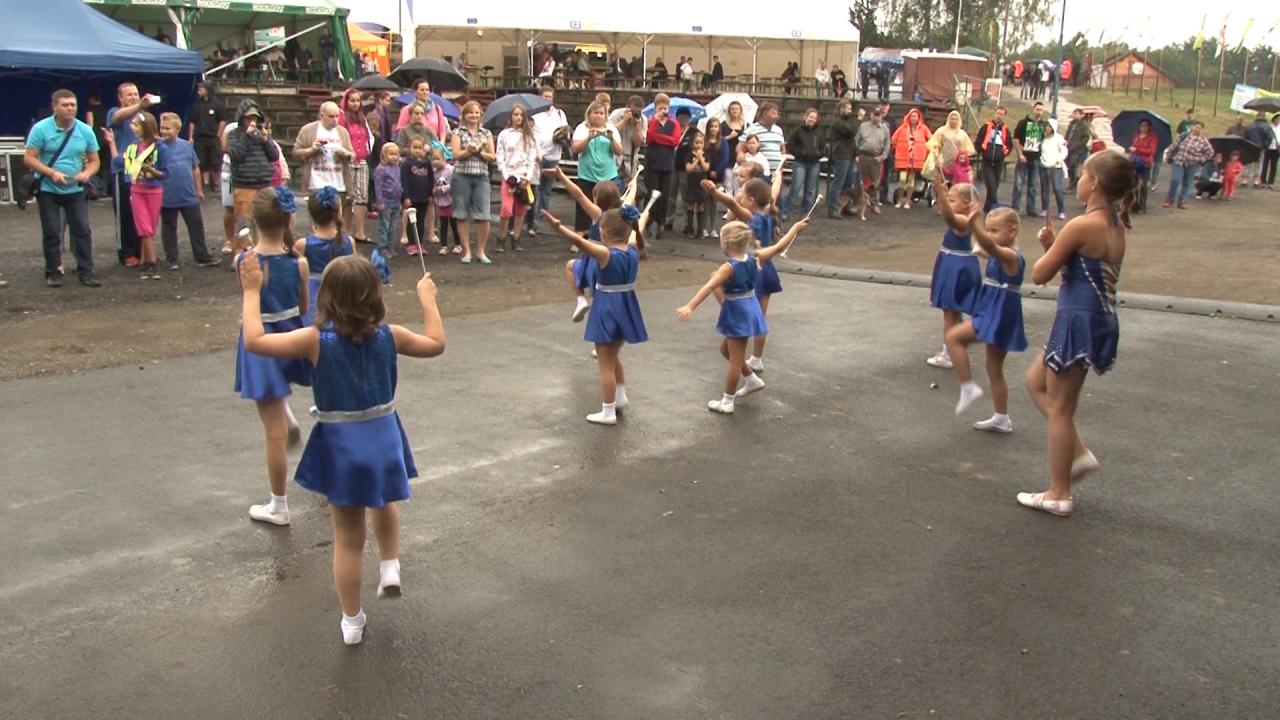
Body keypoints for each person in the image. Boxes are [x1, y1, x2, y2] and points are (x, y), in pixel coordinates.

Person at [240, 249, 444, 645]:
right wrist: (428, 300)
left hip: (342, 444)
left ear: (327, 296)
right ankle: (390, 565)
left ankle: (352, 621)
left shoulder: (316, 340)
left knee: (349, 539)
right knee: (384, 501)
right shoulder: (392, 335)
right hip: (384, 436)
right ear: (376, 295)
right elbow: (436, 342)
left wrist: (251, 291)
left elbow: (255, 340)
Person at [1019, 151, 1136, 517]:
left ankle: (1059, 492)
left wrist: (1051, 248)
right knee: (1035, 382)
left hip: (1076, 321)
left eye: (1083, 174)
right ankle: (1078, 452)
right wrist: (1055, 246)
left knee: (1060, 409)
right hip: (1097, 318)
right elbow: (1080, 271)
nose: (1078, 180)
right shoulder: (1116, 226)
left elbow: (1040, 274)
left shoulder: (1082, 225)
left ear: (1095, 183)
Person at [676, 217, 810, 414]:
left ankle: (727, 401)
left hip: (738, 311)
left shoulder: (729, 267)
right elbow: (779, 247)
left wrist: (690, 306)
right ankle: (751, 379)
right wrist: (795, 228)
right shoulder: (754, 257)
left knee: (735, 360)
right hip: (750, 307)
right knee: (726, 351)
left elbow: (709, 286)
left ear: (726, 243)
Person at [234, 187, 311, 527]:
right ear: (289, 219)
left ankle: (279, 505)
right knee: (279, 405)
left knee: (273, 432)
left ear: (254, 220)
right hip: (291, 336)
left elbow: (249, 303)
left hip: (261, 342)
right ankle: (288, 415)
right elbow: (303, 306)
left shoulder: (245, 263)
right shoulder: (299, 263)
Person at [541, 207, 651, 426]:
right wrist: (641, 219)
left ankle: (608, 411)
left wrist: (558, 227)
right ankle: (620, 396)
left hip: (607, 308)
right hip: (627, 307)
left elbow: (579, 242)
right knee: (613, 356)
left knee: (605, 364)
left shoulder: (606, 254)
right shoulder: (633, 249)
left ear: (604, 233)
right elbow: (643, 221)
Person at [944, 204, 1027, 433]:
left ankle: (968, 387)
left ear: (1012, 231)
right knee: (994, 367)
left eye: (995, 230)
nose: (990, 234)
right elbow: (981, 247)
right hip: (996, 309)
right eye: (989, 230)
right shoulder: (997, 252)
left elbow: (987, 246)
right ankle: (1002, 417)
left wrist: (976, 224)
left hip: (1000, 312)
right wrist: (976, 229)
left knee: (954, 337)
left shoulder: (1011, 256)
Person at [702, 174, 786, 374]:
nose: (740, 197)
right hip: (768, 268)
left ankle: (733, 309)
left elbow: (731, 204)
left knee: (716, 280)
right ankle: (757, 358)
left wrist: (714, 192)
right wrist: (778, 178)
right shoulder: (769, 213)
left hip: (753, 267)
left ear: (751, 200)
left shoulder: (752, 217)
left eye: (743, 194)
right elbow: (773, 192)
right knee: (761, 317)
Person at [24, 89, 102, 288]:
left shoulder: (85, 130)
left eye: (73, 105)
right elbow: (29, 158)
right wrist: (51, 173)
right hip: (48, 188)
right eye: (65, 105)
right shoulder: (41, 129)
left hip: (75, 188)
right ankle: (53, 271)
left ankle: (86, 271)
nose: (70, 108)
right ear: (54, 107)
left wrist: (87, 173)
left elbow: (94, 160)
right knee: (52, 231)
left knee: (82, 230)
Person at [554, 166, 626, 322]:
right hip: (612, 261)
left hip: (594, 262)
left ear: (597, 199)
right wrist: (633, 188)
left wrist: (561, 176)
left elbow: (578, 195)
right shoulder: (621, 215)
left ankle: (581, 300)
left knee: (571, 267)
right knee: (604, 292)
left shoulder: (599, 214)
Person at [924, 181, 982, 370]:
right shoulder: (970, 218)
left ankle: (950, 352)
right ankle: (956, 344)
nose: (948, 203)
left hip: (955, 267)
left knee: (949, 311)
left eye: (952, 200)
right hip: (958, 263)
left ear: (965, 203)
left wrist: (940, 193)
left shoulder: (963, 220)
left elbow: (948, 216)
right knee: (953, 311)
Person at [158, 112, 218, 270]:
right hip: (167, 195)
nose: (164, 131)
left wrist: (199, 189)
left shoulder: (186, 146)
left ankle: (202, 255)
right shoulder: (158, 147)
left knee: (196, 225)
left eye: (167, 128)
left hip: (188, 194)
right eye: (162, 128)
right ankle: (172, 258)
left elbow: (195, 168)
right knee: (169, 227)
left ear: (177, 129)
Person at [107, 83, 156, 267]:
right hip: (123, 170)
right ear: (120, 97)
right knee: (125, 213)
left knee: (141, 212)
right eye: (129, 95)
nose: (134, 97)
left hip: (141, 170)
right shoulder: (115, 113)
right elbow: (118, 117)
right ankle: (126, 252)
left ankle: (140, 251)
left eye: (136, 94)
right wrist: (139, 106)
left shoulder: (142, 116)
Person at [294, 187, 353, 327]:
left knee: (318, 332)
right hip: (343, 299)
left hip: (314, 300)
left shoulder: (303, 244)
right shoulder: (349, 242)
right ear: (338, 211)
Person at [226, 100, 280, 251]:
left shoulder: (261, 133)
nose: (252, 121)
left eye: (254, 118)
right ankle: (239, 253)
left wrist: (266, 140)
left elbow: (274, 156)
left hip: (264, 184)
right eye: (249, 118)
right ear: (242, 118)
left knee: (264, 221)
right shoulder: (234, 135)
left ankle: (262, 251)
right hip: (244, 185)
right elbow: (235, 155)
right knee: (243, 223)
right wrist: (246, 136)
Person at [450, 101, 496, 264]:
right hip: (461, 176)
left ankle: (481, 251)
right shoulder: (457, 132)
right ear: (464, 115)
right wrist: (469, 151)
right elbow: (456, 154)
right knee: (461, 214)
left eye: (477, 112)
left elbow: (492, 156)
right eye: (470, 112)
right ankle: (467, 251)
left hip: (481, 176)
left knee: (484, 215)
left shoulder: (486, 133)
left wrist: (480, 152)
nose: (474, 115)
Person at [124, 111, 167, 279]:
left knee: (149, 228)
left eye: (136, 125)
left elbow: (166, 173)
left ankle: (144, 261)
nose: (132, 128)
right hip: (137, 190)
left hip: (154, 190)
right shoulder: (133, 146)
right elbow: (127, 168)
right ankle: (152, 263)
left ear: (146, 127)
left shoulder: (160, 147)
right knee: (145, 228)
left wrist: (151, 171)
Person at [294, 100, 355, 218]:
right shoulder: (308, 130)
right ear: (322, 116)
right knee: (317, 219)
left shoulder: (342, 132)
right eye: (331, 116)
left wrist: (345, 154)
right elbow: (296, 153)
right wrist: (311, 150)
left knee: (336, 220)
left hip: (338, 184)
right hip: (316, 184)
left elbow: (352, 155)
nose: (335, 120)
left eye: (337, 116)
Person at [572, 100, 624, 233]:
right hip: (587, 175)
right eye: (595, 113)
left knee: (608, 208)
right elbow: (576, 149)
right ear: (589, 114)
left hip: (607, 176)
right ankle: (581, 235)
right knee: (584, 207)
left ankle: (606, 234)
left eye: (601, 113)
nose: (598, 116)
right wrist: (588, 138)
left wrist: (612, 140)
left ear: (606, 115)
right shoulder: (582, 128)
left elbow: (619, 151)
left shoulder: (611, 129)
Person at [496, 105, 540, 251]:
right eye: (515, 114)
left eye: (521, 115)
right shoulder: (504, 134)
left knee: (521, 210)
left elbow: (532, 157)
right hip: (509, 176)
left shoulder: (529, 136)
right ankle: (501, 237)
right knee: (506, 209)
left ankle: (516, 237)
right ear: (511, 116)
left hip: (523, 176)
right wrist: (506, 175)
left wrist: (528, 176)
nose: (518, 117)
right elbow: (500, 156)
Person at [528, 86, 570, 237]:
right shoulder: (534, 113)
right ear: (540, 97)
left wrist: (562, 136)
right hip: (537, 155)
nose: (547, 99)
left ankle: (542, 215)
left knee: (546, 189)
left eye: (550, 97)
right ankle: (531, 219)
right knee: (534, 188)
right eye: (545, 96)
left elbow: (565, 130)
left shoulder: (559, 113)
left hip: (554, 155)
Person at [338, 88, 374, 244]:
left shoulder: (362, 119)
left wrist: (367, 151)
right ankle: (346, 231)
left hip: (362, 160)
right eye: (352, 100)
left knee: (361, 197)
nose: (355, 103)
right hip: (348, 161)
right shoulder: (341, 118)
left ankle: (360, 231)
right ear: (346, 102)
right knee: (348, 197)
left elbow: (369, 138)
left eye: (358, 100)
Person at [645, 94, 682, 239]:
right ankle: (648, 222)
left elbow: (675, 141)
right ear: (655, 108)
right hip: (652, 162)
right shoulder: (651, 121)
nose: (662, 111)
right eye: (660, 108)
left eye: (665, 108)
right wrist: (656, 122)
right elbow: (649, 138)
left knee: (665, 196)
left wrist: (659, 139)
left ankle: (661, 223)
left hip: (667, 163)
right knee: (650, 194)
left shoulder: (674, 123)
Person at [782, 108, 822, 221]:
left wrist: (818, 154)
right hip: (800, 162)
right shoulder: (797, 131)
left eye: (814, 118)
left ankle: (805, 213)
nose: (812, 119)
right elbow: (791, 145)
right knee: (796, 187)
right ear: (805, 117)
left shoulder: (819, 133)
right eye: (810, 117)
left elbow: (823, 146)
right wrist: (800, 153)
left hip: (814, 163)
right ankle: (786, 212)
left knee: (810, 190)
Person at [1162, 121, 1214, 209]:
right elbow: (1174, 145)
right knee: (1175, 179)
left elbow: (1210, 152)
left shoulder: (1203, 141)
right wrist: (1168, 155)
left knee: (1187, 182)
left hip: (1192, 164)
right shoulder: (1184, 135)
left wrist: (1201, 159)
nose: (1197, 129)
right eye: (1196, 127)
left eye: (1199, 128)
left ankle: (1182, 201)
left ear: (1202, 130)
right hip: (1179, 161)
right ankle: (1169, 199)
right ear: (1193, 127)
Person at [187, 82, 225, 194]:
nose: (199, 91)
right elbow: (192, 122)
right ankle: (206, 183)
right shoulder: (197, 105)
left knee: (215, 161)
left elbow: (222, 120)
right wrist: (191, 137)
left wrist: (218, 135)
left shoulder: (218, 104)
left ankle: (216, 183)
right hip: (199, 137)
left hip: (212, 137)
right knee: (202, 162)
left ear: (207, 90)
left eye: (201, 89)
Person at [826, 101, 861, 219]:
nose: (850, 111)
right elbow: (852, 132)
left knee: (848, 183)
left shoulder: (847, 122)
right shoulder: (838, 122)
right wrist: (859, 119)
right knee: (838, 182)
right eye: (848, 108)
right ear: (841, 109)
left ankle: (845, 206)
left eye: (850, 108)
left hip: (849, 154)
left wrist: (855, 153)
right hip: (841, 154)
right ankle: (832, 209)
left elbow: (851, 139)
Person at [890, 107, 931, 209]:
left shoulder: (923, 129)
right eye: (912, 116)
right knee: (902, 179)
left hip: (915, 160)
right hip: (903, 158)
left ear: (918, 118)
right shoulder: (902, 128)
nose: (913, 118)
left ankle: (908, 200)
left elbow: (931, 140)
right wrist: (897, 150)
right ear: (908, 117)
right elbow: (893, 139)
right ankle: (900, 199)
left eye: (915, 116)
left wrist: (926, 150)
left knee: (911, 180)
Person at [1011, 102, 1047, 217]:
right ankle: (1015, 206)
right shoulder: (1023, 123)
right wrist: (1020, 154)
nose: (1039, 112)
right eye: (1037, 109)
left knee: (1032, 185)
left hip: (1035, 157)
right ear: (1033, 109)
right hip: (1024, 156)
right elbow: (1016, 139)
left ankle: (1030, 208)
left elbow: (1045, 139)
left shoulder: (1043, 125)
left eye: (1041, 110)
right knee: (1018, 183)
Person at [400, 137, 435, 257]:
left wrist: (430, 194)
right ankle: (411, 244)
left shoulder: (427, 164)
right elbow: (403, 181)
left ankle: (419, 243)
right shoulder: (406, 164)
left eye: (420, 148)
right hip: (412, 197)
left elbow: (430, 179)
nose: (417, 150)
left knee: (420, 221)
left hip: (424, 197)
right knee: (412, 221)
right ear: (409, 148)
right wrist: (406, 197)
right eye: (414, 147)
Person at [974, 106, 1012, 212]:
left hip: (999, 160)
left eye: (1001, 114)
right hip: (987, 159)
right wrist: (981, 150)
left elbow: (1009, 145)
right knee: (991, 184)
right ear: (994, 114)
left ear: (1004, 116)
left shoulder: (1005, 130)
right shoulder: (987, 126)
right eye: (997, 113)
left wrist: (1004, 154)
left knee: (995, 184)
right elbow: (979, 139)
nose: (999, 116)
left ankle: (987, 208)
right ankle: (995, 204)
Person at [927, 110, 974, 187]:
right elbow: (934, 143)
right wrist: (937, 155)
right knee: (942, 184)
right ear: (948, 119)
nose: (953, 121)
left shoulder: (962, 133)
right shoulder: (941, 131)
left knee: (955, 185)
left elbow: (967, 149)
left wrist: (963, 159)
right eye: (952, 119)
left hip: (957, 164)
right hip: (944, 161)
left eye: (956, 119)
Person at [372, 143, 403, 257]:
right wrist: (380, 202)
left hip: (396, 201)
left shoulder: (397, 168)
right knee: (384, 225)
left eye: (396, 154)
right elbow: (378, 186)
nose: (394, 157)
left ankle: (390, 246)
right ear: (384, 155)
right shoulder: (380, 169)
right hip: (386, 201)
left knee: (393, 226)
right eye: (391, 154)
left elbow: (398, 183)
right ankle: (382, 247)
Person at [700, 118, 730, 237]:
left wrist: (717, 171)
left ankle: (712, 228)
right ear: (708, 128)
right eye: (711, 126)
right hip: (705, 174)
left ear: (719, 128)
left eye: (716, 127)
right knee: (705, 200)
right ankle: (703, 227)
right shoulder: (704, 140)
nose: (713, 129)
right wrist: (707, 170)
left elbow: (725, 158)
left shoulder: (723, 141)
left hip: (718, 175)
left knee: (714, 201)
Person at [740, 102, 786, 176]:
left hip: (776, 172)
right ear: (764, 114)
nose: (777, 116)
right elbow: (740, 147)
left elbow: (782, 148)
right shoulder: (752, 129)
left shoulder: (778, 130)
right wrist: (741, 154)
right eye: (773, 114)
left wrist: (781, 165)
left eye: (777, 114)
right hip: (759, 172)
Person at [608, 94, 647, 181]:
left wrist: (636, 126)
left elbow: (638, 143)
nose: (635, 113)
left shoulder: (643, 120)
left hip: (631, 158)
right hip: (614, 155)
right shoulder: (617, 114)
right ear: (627, 107)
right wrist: (624, 121)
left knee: (629, 185)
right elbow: (609, 133)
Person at [430, 148, 459, 255]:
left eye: (437, 159)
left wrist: (443, 188)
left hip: (452, 201)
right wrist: (434, 190)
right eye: (433, 159)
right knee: (443, 224)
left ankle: (458, 244)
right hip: (441, 202)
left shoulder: (451, 170)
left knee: (454, 224)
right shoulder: (434, 172)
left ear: (443, 158)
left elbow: (455, 184)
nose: (435, 162)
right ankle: (444, 245)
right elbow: (433, 185)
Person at [1038, 119, 1068, 220]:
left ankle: (1061, 211)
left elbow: (1064, 151)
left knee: (1057, 188)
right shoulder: (1043, 138)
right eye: (1046, 126)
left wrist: (1058, 160)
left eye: (1049, 126)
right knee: (1044, 188)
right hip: (1043, 165)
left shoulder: (1059, 138)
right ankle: (1044, 209)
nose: (1047, 128)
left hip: (1055, 166)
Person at [1125, 119, 1157, 214]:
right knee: (1132, 184)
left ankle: (1143, 204)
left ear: (1149, 127)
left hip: (1145, 163)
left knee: (1143, 184)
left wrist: (1137, 149)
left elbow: (1151, 151)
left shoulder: (1152, 137)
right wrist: (1130, 149)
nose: (1143, 127)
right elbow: (1132, 146)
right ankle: (1133, 204)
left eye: (1145, 125)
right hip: (1134, 161)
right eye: (1141, 125)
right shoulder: (1136, 136)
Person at [683, 130, 711, 237]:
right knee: (690, 205)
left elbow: (706, 168)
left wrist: (701, 159)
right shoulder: (689, 155)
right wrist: (696, 160)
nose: (699, 145)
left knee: (701, 206)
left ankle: (700, 231)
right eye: (697, 143)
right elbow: (689, 169)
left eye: (701, 143)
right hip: (691, 183)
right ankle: (690, 229)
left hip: (702, 184)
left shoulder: (706, 155)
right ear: (692, 143)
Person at [1245, 113, 1277, 187]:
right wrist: (1265, 145)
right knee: (1259, 163)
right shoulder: (1267, 126)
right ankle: (1256, 180)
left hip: (1250, 146)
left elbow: (1245, 136)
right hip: (1260, 147)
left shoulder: (1250, 125)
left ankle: (1245, 180)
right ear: (1264, 117)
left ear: (1256, 116)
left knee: (1248, 163)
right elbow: (1270, 137)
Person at [1064, 108, 1091, 189]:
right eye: (1074, 113)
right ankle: (1073, 179)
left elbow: (1086, 138)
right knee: (1068, 165)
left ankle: (1073, 181)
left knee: (1073, 164)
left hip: (1077, 150)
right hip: (1068, 147)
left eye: (1076, 114)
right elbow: (1068, 134)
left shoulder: (1084, 125)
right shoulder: (1071, 124)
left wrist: (1077, 146)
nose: (1074, 115)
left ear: (1081, 115)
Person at [1263, 114, 1280, 188]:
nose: (1278, 120)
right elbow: (1265, 136)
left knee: (1274, 166)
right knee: (1265, 165)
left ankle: (1271, 182)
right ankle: (1263, 181)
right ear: (1274, 119)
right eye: (1277, 119)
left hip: (1276, 149)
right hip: (1268, 148)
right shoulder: (1269, 127)